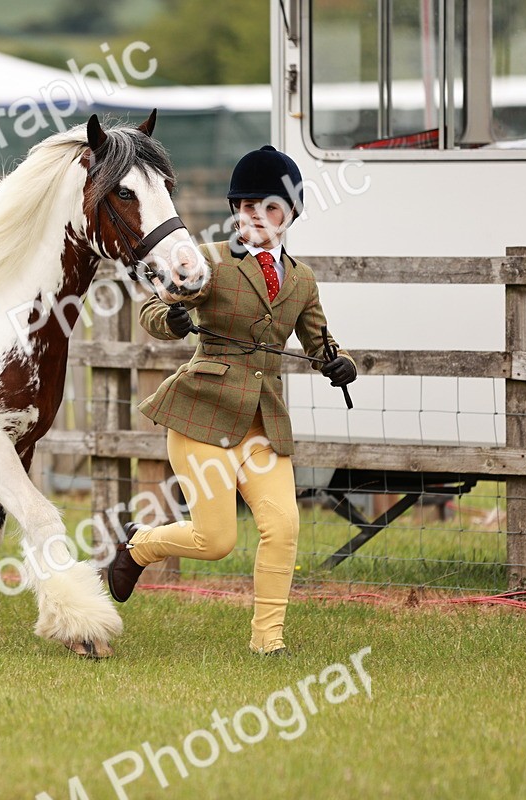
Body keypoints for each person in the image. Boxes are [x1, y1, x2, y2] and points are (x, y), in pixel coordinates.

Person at [107, 145, 358, 657]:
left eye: (269, 208)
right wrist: (172, 318)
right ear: (235, 211)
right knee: (216, 541)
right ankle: (139, 546)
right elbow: (156, 311)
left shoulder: (302, 281)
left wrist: (341, 363)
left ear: (290, 214)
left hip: (262, 423)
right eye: (246, 207)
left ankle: (268, 642)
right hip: (203, 415)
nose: (257, 218)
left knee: (283, 527)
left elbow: (320, 341)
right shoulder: (209, 262)